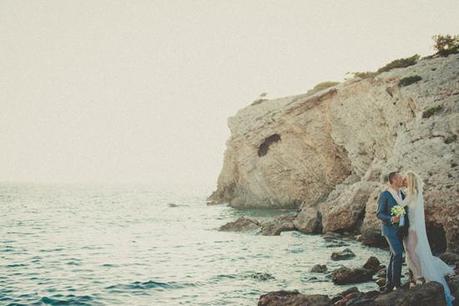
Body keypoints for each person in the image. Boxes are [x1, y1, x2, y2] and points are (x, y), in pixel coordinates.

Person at [388, 171, 455, 306]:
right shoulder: (413, 193)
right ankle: (415, 277)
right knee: (411, 252)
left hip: (413, 228)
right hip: (411, 228)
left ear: (411, 181)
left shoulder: (412, 193)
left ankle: (419, 277)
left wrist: (392, 190)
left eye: (406, 179)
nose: (404, 181)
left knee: (412, 252)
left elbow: (400, 204)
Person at [376, 171, 408, 293]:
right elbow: (379, 213)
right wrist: (391, 219)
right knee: (399, 254)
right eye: (400, 178)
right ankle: (397, 285)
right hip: (389, 230)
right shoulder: (385, 195)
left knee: (393, 255)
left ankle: (389, 285)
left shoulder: (402, 194)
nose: (402, 180)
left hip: (400, 230)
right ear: (394, 180)